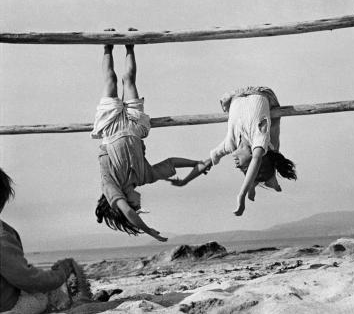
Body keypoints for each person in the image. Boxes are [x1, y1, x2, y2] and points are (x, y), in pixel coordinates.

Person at [92, 29, 210, 242]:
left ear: (124, 201)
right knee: (129, 81)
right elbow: (171, 162)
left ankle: (107, 47)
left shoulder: (111, 187)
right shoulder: (144, 177)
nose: (139, 202)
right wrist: (196, 162)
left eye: (136, 205)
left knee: (110, 80)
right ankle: (130, 45)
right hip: (135, 128)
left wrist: (149, 231)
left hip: (110, 128)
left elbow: (127, 213)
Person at [194, 86, 297, 216]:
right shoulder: (259, 139)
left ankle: (257, 182)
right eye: (243, 167)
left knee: (270, 151)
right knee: (272, 145)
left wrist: (185, 180)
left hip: (235, 96)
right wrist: (242, 195)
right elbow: (256, 159)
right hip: (260, 93)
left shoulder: (230, 145)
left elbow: (210, 159)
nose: (236, 165)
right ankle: (262, 180)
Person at [0, 168, 76, 314]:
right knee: (43, 295)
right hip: (7, 307)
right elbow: (28, 280)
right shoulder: (3, 237)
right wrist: (60, 274)